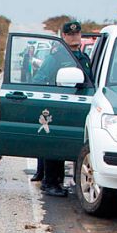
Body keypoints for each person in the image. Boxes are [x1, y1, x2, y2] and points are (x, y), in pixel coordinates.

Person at [35, 20, 93, 196]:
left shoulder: (84, 58)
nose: (74, 37)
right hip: (59, 105)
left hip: (79, 106)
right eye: (70, 34)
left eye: (77, 34)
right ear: (64, 36)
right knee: (56, 144)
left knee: (73, 142)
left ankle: (63, 180)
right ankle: (50, 182)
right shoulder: (57, 58)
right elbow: (39, 79)